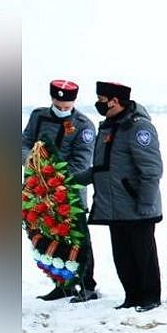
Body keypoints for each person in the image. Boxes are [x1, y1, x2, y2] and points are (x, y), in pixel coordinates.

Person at [75, 81, 163, 312]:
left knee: (143, 256)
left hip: (136, 205)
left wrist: (145, 203)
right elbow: (100, 168)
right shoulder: (109, 126)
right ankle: (132, 296)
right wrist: (71, 178)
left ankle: (150, 298)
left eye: (102, 99)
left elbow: (151, 170)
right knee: (122, 256)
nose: (99, 104)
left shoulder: (138, 127)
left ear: (115, 101)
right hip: (114, 206)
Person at [21, 79, 99, 302]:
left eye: (68, 106)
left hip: (68, 193)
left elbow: (81, 162)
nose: (63, 110)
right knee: (47, 237)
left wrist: (54, 178)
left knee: (77, 239)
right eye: (59, 105)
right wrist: (32, 162)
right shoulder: (39, 116)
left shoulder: (84, 125)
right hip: (38, 191)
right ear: (52, 99)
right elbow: (24, 142)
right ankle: (61, 284)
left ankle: (87, 285)